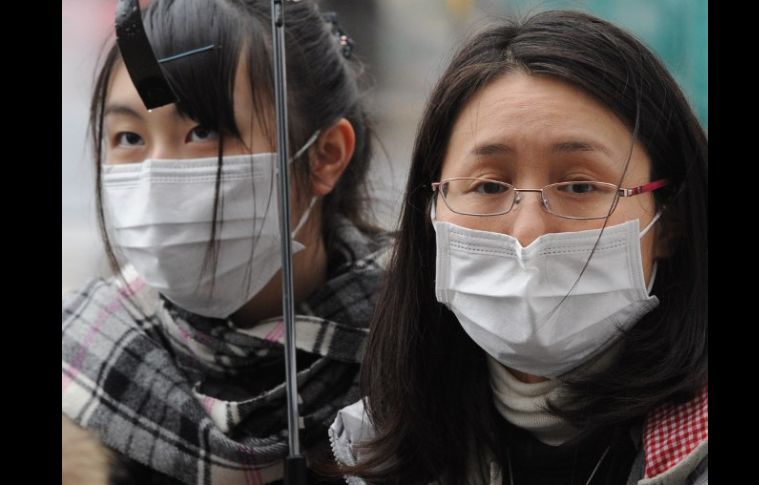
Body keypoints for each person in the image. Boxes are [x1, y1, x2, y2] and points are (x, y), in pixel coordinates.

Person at [329, 10, 707, 485]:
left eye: (579, 186)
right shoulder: (384, 445)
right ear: (432, 214)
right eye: (488, 187)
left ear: (668, 223)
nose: (528, 231)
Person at [61, 1, 392, 484]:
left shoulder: (423, 351)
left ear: (324, 156)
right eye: (129, 137)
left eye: (203, 130)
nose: (158, 176)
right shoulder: (81, 367)